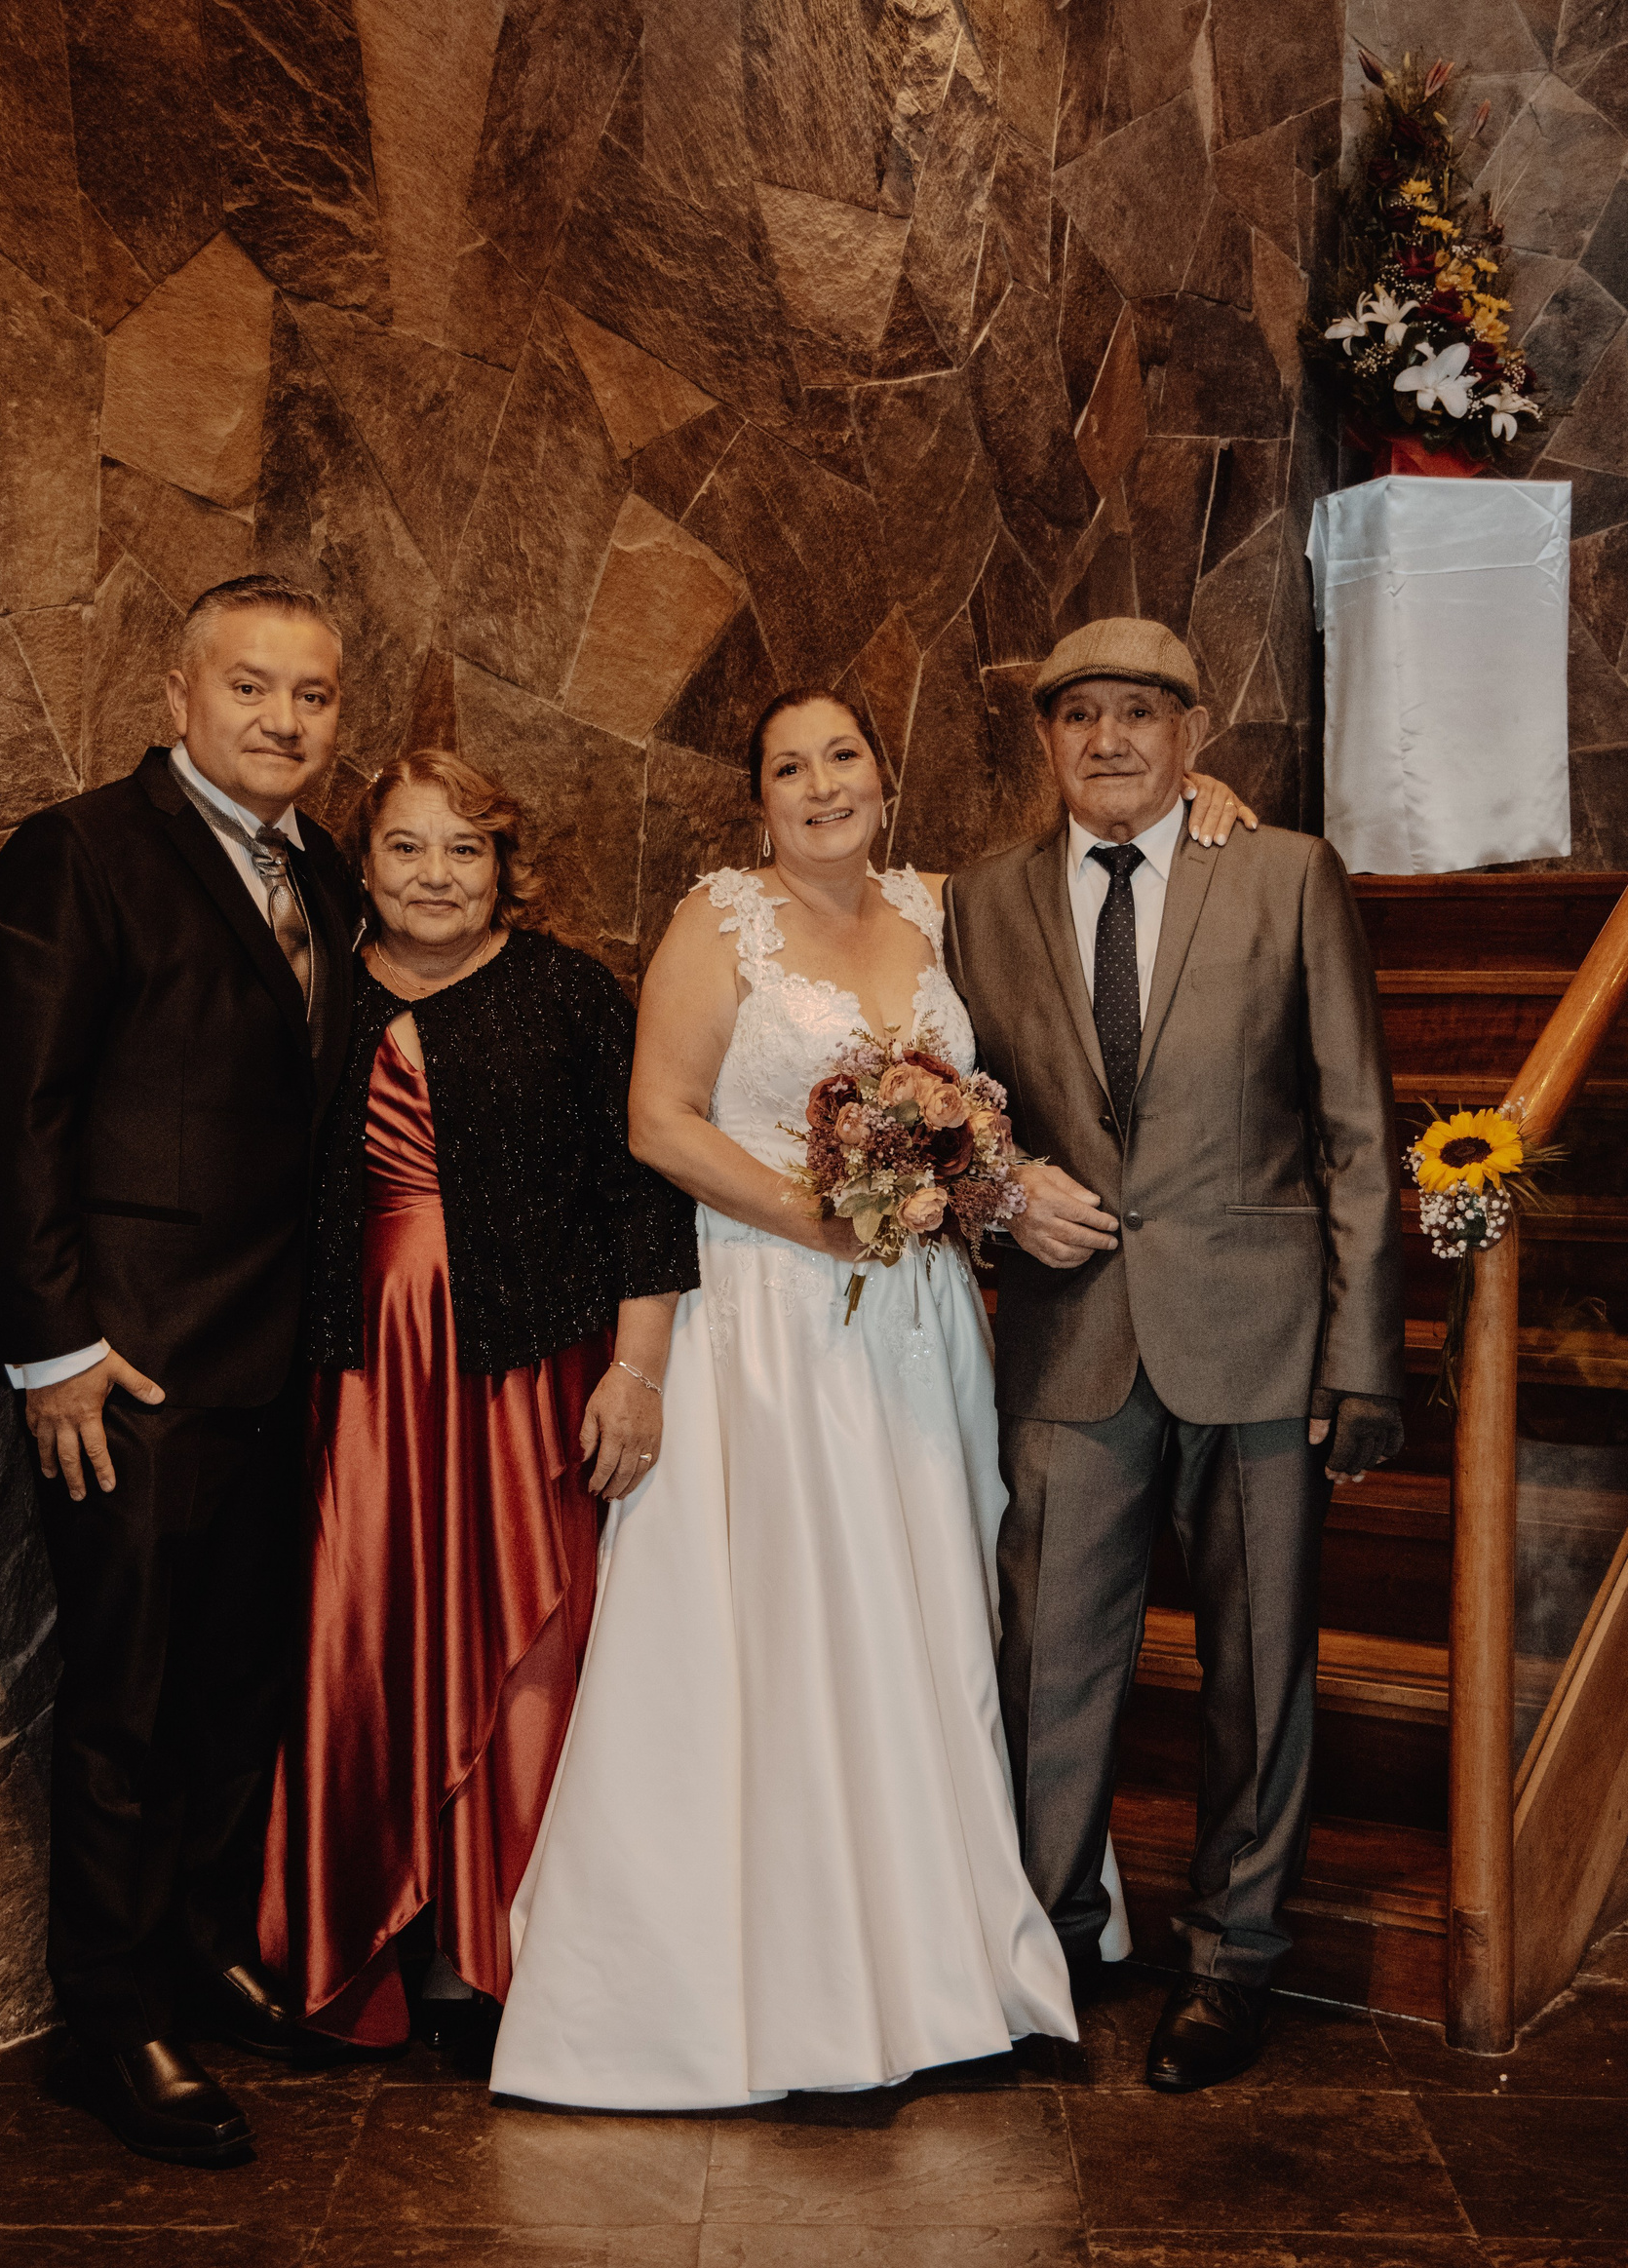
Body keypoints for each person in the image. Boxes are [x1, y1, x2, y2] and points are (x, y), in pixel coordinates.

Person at [489, 687, 1254, 2108]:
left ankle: (946, 1945)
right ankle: (792, 1973)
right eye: (790, 767)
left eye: (843, 756)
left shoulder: (942, 906)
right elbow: (658, 1121)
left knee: (939, 1608)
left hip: (916, 1318)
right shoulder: (721, 921)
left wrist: (1197, 806)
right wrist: (820, 1217)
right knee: (788, 1622)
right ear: (760, 800)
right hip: (767, 1323)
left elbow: (1086, 885)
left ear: (885, 781)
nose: (821, 784)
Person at [942, 616, 1405, 2095]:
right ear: (1045, 739)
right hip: (1068, 1339)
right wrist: (1002, 1193)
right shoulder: (977, 902)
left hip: (1262, 1343)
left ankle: (1232, 1961)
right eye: (1080, 714)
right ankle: (1049, 1949)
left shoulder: (1286, 875)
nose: (1110, 740)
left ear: (1193, 736)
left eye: (1141, 714)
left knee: (1258, 1672)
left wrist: (1363, 1357)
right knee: (1046, 1663)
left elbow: (1356, 1130)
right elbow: (946, 1110)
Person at [0, 574, 360, 2165]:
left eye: (311, 695)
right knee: (125, 1702)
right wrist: (54, 1349)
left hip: (273, 1357)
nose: (282, 719)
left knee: (234, 1685)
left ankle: (201, 1955)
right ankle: (109, 2021)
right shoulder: (82, 853)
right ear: (176, 696)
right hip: (122, 1371)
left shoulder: (321, 867)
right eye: (249, 686)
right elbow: (19, 1114)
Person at [257, 750, 699, 2062]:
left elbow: (643, 1197)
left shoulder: (568, 991)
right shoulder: (317, 988)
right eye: (407, 847)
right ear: (364, 863)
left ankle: (507, 1958)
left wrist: (638, 1371)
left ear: (506, 865)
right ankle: (372, 1942)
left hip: (526, 1373)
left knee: (529, 1649)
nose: (437, 875)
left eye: (467, 849)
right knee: (364, 1637)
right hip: (361, 1379)